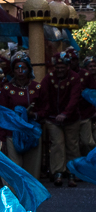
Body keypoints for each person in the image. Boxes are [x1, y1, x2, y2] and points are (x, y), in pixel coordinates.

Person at [35, 52, 83, 186]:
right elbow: (42, 93)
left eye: (63, 67)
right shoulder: (49, 77)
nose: (60, 70)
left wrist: (65, 113)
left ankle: (73, 171)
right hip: (52, 118)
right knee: (57, 144)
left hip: (71, 118)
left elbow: (74, 98)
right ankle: (58, 172)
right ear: (54, 67)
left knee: (72, 145)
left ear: (68, 67)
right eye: (58, 67)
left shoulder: (75, 78)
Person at [0, 55, 42, 177]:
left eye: (24, 68)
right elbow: (2, 114)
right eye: (17, 68)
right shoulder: (6, 89)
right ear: (13, 70)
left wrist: (32, 114)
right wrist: (2, 138)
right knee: (15, 168)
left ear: (29, 69)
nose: (20, 71)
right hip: (12, 132)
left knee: (32, 169)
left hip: (31, 131)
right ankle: (16, 195)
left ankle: (32, 195)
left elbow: (45, 109)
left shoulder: (36, 88)